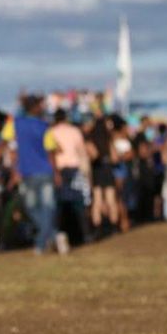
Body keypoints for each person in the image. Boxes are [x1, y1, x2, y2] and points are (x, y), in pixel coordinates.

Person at [0, 95, 62, 254]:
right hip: (44, 172)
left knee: (32, 207)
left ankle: (42, 243)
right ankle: (54, 236)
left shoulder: (15, 124)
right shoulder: (43, 126)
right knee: (46, 207)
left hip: (28, 173)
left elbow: (3, 142)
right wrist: (56, 172)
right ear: (35, 108)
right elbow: (51, 152)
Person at [48, 108, 89, 249]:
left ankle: (61, 235)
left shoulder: (51, 132)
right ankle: (83, 235)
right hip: (73, 170)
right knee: (78, 204)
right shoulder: (74, 131)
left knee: (60, 206)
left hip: (57, 171)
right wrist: (86, 173)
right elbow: (82, 153)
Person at [85, 98, 119, 234]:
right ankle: (113, 226)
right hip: (106, 166)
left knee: (97, 199)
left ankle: (98, 227)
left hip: (97, 167)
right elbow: (115, 156)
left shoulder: (90, 134)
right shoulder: (108, 134)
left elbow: (91, 153)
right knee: (111, 198)